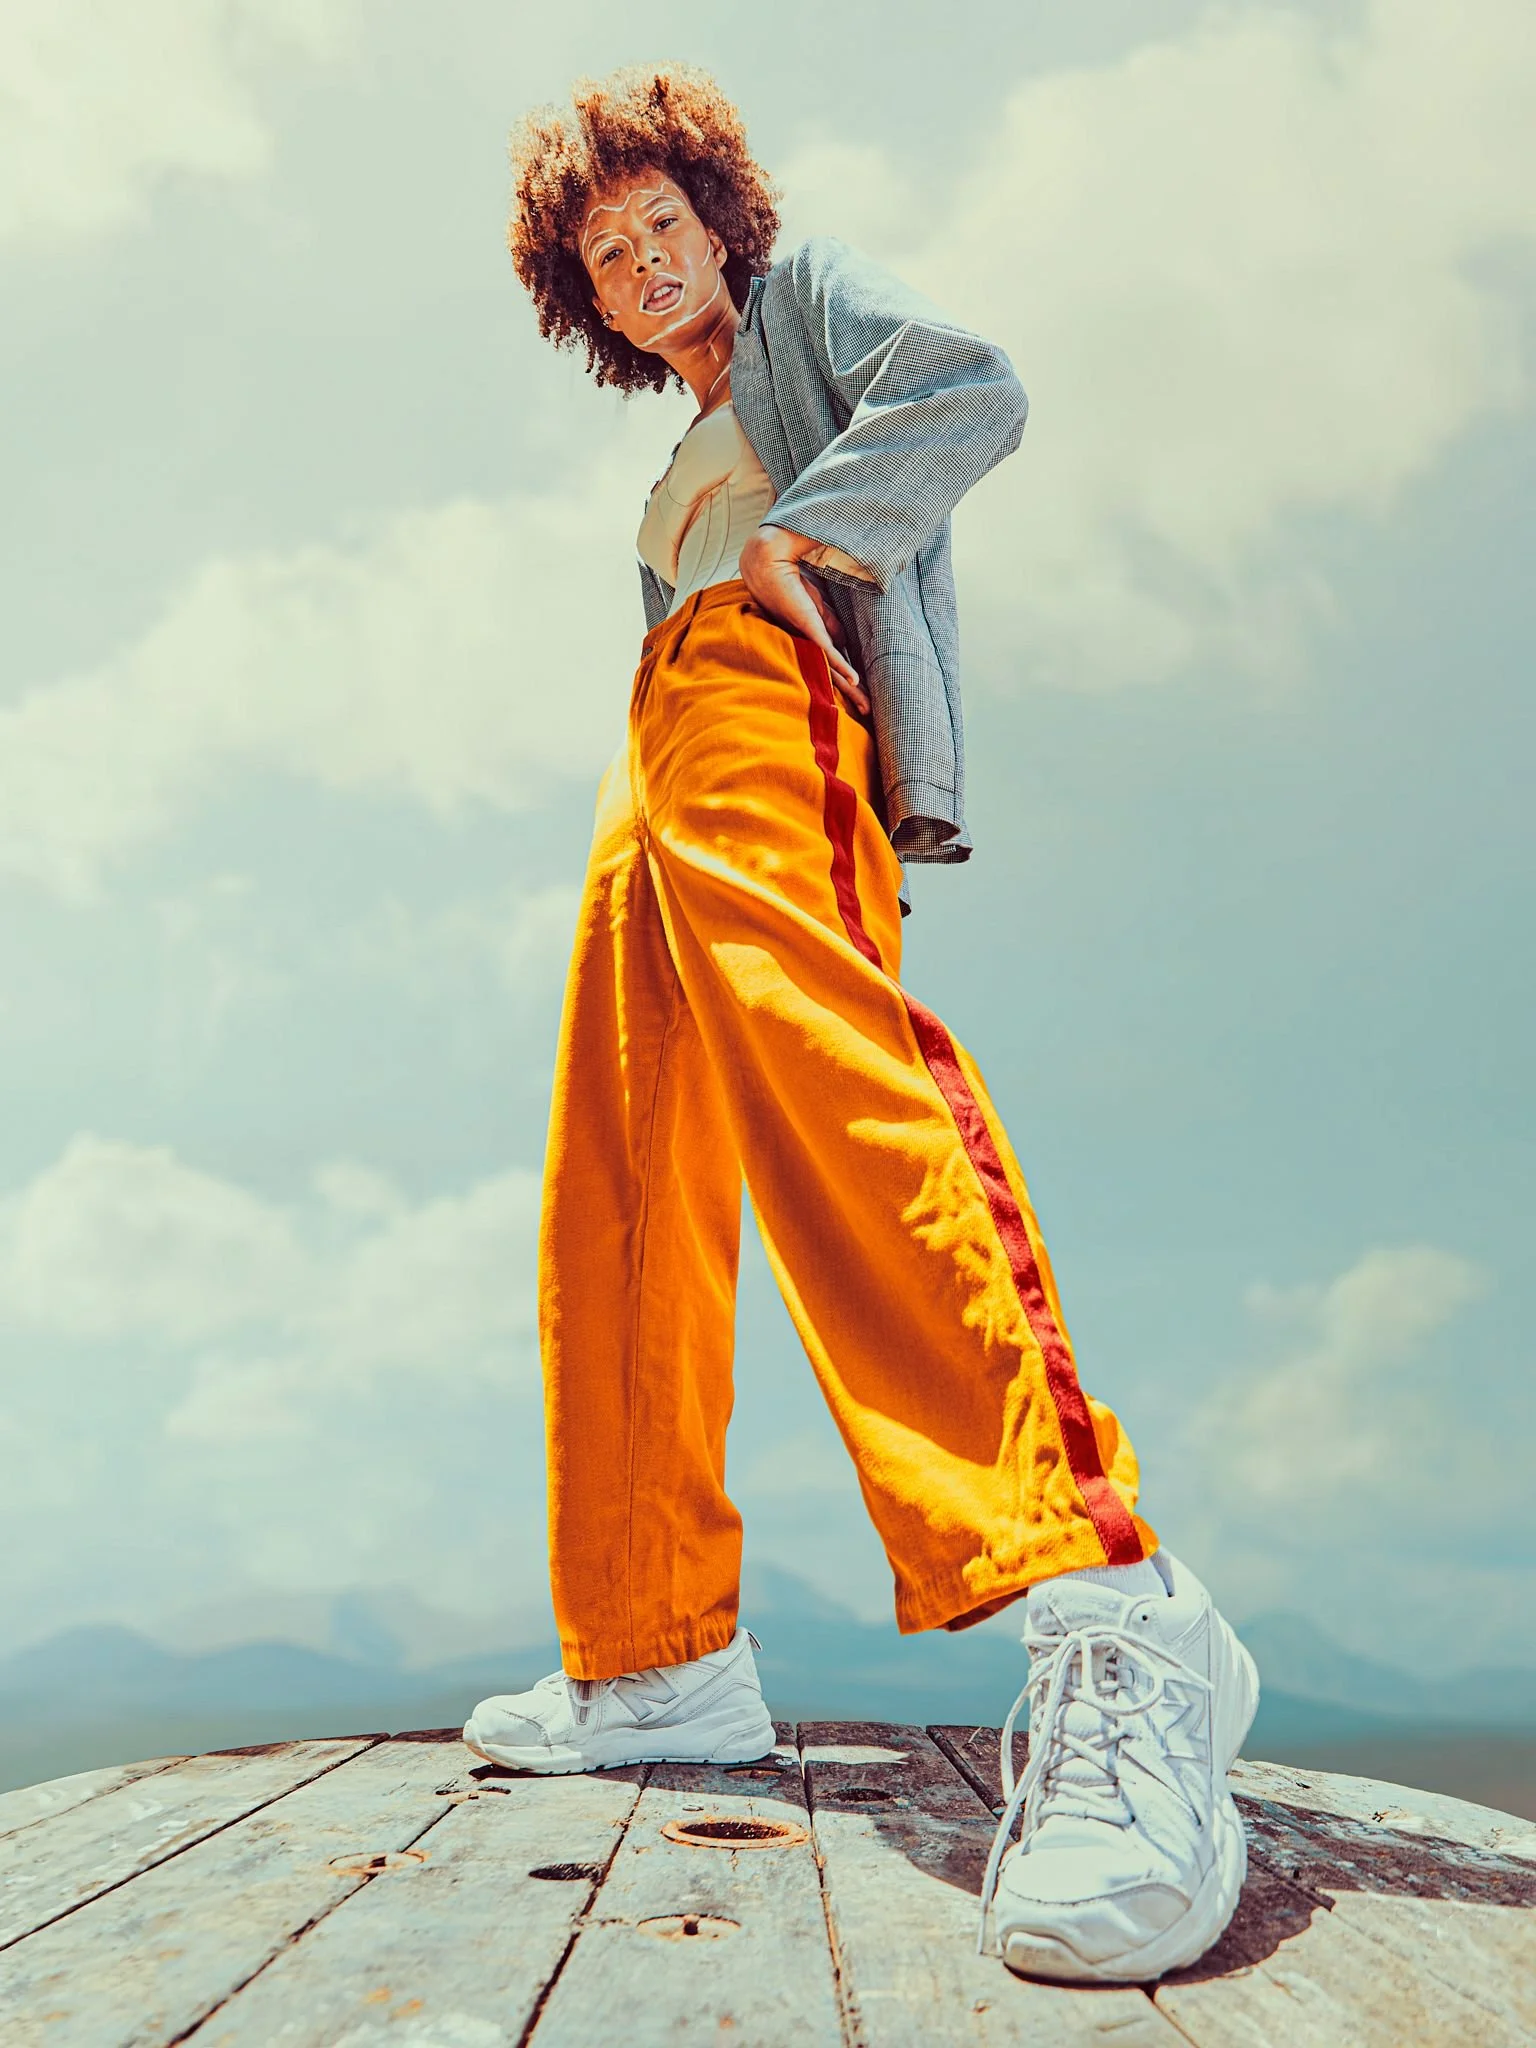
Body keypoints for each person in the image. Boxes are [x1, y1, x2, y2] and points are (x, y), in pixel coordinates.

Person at [464, 63, 1259, 1986]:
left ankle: (1108, 1599)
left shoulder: (810, 304)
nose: (645, 267)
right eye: (607, 258)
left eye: (661, 225)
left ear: (720, 220)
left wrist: (800, 545)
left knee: (830, 1074)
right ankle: (654, 1657)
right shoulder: (665, 464)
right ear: (589, 304)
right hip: (657, 729)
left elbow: (974, 383)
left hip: (767, 688)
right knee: (619, 1180)